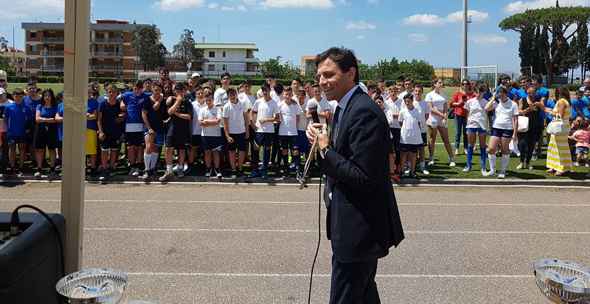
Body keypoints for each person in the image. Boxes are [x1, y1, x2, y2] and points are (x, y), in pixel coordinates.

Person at [306, 47, 404, 304]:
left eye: (328, 74)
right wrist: (321, 140)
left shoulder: (363, 111)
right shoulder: (343, 108)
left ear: (351, 73)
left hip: (359, 228)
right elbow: (345, 158)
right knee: (363, 295)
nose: (322, 82)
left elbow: (363, 177)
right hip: (349, 225)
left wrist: (326, 149)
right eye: (319, 76)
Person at [160, 83, 193, 181]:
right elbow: (169, 112)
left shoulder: (188, 102)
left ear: (184, 91)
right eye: (178, 91)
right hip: (171, 128)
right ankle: (169, 171)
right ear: (175, 91)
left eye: (181, 91)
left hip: (183, 130)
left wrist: (177, 114)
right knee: (168, 149)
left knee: (181, 150)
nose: (180, 93)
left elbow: (189, 117)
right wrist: (178, 101)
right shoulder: (172, 100)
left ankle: (180, 168)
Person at [484, 87, 519, 179]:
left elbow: (515, 120)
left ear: (505, 93)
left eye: (500, 93)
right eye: (497, 93)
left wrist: (515, 134)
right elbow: (486, 108)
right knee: (490, 149)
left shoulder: (513, 104)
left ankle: (503, 171)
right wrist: (493, 98)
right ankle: (492, 170)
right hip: (496, 128)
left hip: (507, 129)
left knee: (505, 150)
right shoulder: (496, 102)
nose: (499, 94)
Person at [121, 80, 150, 177]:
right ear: (133, 87)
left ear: (142, 88)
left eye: (139, 88)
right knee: (130, 147)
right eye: (135, 88)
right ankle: (132, 166)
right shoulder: (127, 95)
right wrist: (122, 105)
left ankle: (138, 166)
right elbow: (119, 100)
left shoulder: (146, 95)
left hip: (140, 125)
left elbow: (159, 94)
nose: (137, 90)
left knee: (139, 147)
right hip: (129, 125)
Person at [250, 84, 280, 179]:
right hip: (259, 131)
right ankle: (255, 170)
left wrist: (266, 120)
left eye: (266, 90)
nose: (265, 92)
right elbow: (252, 112)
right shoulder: (258, 101)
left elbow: (277, 119)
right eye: (263, 90)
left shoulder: (274, 103)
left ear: (269, 90)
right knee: (255, 151)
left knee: (267, 151)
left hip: (269, 132)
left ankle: (264, 171)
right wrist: (253, 124)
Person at [97, 85, 125, 182]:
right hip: (105, 131)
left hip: (116, 132)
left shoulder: (119, 104)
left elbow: (124, 115)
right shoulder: (102, 104)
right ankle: (104, 170)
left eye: (113, 92)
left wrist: (121, 117)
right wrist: (100, 131)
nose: (111, 94)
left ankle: (112, 169)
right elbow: (99, 120)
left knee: (114, 150)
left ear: (117, 93)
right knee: (104, 151)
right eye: (109, 92)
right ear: (107, 93)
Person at [140, 82, 168, 180]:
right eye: (155, 90)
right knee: (148, 147)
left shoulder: (163, 101)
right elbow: (143, 114)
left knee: (156, 149)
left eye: (159, 90)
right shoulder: (147, 100)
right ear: (152, 89)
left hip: (160, 128)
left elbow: (165, 115)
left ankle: (152, 168)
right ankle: (147, 170)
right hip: (149, 128)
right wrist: (149, 128)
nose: (157, 92)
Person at [425, 79, 455, 167]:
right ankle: (431, 159)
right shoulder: (429, 95)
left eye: (442, 82)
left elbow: (446, 107)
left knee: (446, 139)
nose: (441, 84)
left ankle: (451, 158)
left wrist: (445, 116)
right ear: (435, 84)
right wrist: (442, 115)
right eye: (439, 82)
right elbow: (431, 108)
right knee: (432, 139)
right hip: (433, 118)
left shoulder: (444, 95)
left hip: (442, 119)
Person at [516, 85, 545, 170]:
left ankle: (528, 163)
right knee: (522, 144)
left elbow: (544, 109)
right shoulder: (522, 100)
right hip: (524, 125)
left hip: (534, 125)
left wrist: (540, 105)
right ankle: (521, 162)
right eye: (529, 92)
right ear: (527, 92)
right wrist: (529, 109)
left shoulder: (538, 100)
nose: (531, 94)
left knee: (531, 145)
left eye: (533, 92)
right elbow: (519, 111)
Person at [545, 86, 573, 176]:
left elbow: (559, 115)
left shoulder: (561, 102)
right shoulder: (567, 102)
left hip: (559, 127)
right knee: (556, 147)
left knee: (558, 148)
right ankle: (555, 166)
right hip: (563, 127)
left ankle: (562, 168)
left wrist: (547, 110)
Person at [32, 89, 59, 179]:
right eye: (45, 96)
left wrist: (43, 119)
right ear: (43, 97)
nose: (47, 97)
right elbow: (37, 119)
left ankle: (52, 169)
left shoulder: (56, 106)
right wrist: (49, 120)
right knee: (40, 149)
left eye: (49, 96)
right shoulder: (39, 106)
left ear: (52, 97)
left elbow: (56, 119)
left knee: (51, 149)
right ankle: (39, 169)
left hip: (52, 130)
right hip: (40, 130)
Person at [463, 84, 490, 175]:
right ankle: (468, 165)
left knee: (483, 146)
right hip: (471, 125)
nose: (478, 94)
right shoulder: (470, 102)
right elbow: (467, 114)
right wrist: (467, 125)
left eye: (480, 92)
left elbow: (492, 109)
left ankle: (483, 167)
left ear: (483, 92)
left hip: (482, 126)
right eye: (477, 92)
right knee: (470, 145)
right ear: (474, 92)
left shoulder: (486, 102)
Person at [223, 88, 249, 178]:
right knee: (232, 152)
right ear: (228, 96)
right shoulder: (226, 106)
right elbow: (225, 123)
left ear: (236, 94)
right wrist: (227, 135)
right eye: (230, 95)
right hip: (231, 133)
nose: (232, 96)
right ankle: (233, 169)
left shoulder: (242, 104)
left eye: (233, 94)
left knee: (242, 151)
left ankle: (240, 168)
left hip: (241, 132)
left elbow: (246, 118)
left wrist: (247, 131)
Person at [4, 88, 30, 176]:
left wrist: (27, 129)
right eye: (16, 96)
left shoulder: (26, 107)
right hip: (12, 133)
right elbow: (5, 119)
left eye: (20, 96)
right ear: (13, 96)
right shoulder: (8, 107)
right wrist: (8, 129)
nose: (18, 98)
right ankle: (12, 167)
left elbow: (29, 120)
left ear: (23, 96)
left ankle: (21, 168)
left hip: (22, 133)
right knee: (12, 150)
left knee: (22, 150)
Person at [277, 86, 302, 177]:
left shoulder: (295, 105)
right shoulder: (279, 105)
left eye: (289, 94)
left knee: (295, 151)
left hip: (293, 132)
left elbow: (298, 117)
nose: (287, 96)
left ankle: (297, 169)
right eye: (286, 94)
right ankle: (286, 168)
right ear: (283, 95)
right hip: (283, 132)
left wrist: (294, 127)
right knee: (284, 151)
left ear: (291, 95)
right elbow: (277, 117)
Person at [199, 91, 223, 178]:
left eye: (210, 100)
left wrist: (207, 121)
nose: (208, 101)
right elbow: (200, 123)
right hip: (205, 135)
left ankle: (217, 169)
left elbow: (218, 121)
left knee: (216, 152)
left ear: (213, 100)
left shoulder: (218, 109)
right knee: (207, 153)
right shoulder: (202, 110)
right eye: (207, 100)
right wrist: (212, 122)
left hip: (216, 135)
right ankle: (208, 168)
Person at [398, 93, 423, 178]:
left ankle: (412, 172)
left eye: (408, 101)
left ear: (412, 101)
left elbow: (419, 123)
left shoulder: (418, 111)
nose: (407, 103)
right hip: (404, 138)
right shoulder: (402, 111)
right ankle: (402, 171)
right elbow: (400, 122)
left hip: (414, 138)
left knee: (413, 155)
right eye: (406, 101)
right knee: (403, 155)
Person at [450, 79, 476, 156]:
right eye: (463, 84)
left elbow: (475, 103)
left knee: (466, 133)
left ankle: (465, 148)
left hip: (468, 116)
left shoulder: (472, 95)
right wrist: (459, 103)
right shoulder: (457, 94)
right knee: (458, 133)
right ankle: (457, 148)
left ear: (469, 85)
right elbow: (451, 104)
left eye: (466, 84)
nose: (465, 85)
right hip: (458, 115)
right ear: (461, 85)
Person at [412, 85, 430, 175]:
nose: (417, 93)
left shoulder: (425, 103)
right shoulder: (411, 102)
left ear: (422, 92)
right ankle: (411, 167)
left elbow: (426, 115)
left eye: (419, 91)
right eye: (416, 91)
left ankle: (423, 167)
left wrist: (422, 124)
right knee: (412, 149)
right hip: (412, 130)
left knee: (421, 149)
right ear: (413, 91)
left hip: (422, 130)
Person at [189, 86, 206, 172]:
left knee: (205, 150)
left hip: (205, 132)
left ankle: (205, 166)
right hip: (194, 131)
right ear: (195, 95)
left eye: (201, 93)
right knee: (193, 149)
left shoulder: (207, 104)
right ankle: (191, 166)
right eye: (198, 93)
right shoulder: (192, 105)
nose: (200, 95)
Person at [86, 88, 100, 176]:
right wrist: (87, 115)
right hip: (80, 129)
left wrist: (85, 116)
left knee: (92, 150)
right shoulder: (79, 101)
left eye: (89, 92)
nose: (88, 93)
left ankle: (93, 168)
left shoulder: (94, 102)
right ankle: (84, 167)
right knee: (81, 150)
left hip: (91, 128)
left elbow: (94, 116)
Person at [0, 88, 10, 177]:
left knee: (5, 150)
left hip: (6, 131)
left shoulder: (10, 103)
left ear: (5, 94)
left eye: (1, 94)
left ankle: (4, 168)